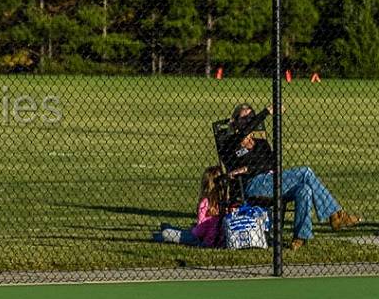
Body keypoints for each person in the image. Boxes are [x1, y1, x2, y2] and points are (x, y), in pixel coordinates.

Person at [221, 102, 360, 250]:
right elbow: (243, 135)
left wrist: (248, 168)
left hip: (272, 180)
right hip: (252, 185)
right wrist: (267, 111)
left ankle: (300, 237)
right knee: (305, 172)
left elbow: (273, 164)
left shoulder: (261, 143)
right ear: (235, 121)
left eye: (251, 118)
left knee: (304, 189)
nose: (249, 121)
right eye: (244, 119)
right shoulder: (231, 143)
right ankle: (336, 215)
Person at [154, 165, 225, 247]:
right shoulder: (224, 201)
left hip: (202, 240)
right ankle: (168, 227)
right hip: (217, 241)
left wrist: (194, 230)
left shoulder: (205, 203)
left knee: (167, 234)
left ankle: (162, 233)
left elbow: (200, 232)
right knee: (185, 231)